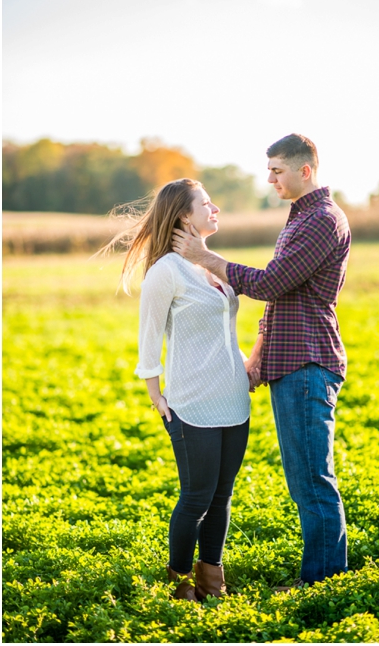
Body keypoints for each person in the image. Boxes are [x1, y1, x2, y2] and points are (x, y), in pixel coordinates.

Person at [172, 133, 351, 588]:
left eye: (277, 170)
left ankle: (323, 585)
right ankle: (322, 577)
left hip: (308, 363)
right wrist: (257, 358)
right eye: (268, 169)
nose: (269, 178)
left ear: (304, 170)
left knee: (312, 481)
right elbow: (282, 302)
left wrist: (204, 257)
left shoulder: (322, 221)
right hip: (291, 362)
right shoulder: (300, 219)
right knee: (304, 479)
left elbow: (272, 283)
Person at [110, 179, 254, 602]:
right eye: (206, 204)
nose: (216, 209)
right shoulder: (165, 272)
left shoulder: (210, 264)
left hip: (235, 399)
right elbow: (149, 339)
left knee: (222, 496)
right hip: (191, 404)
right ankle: (179, 583)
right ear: (183, 216)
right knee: (196, 498)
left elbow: (224, 330)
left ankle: (212, 578)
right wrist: (157, 397)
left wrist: (246, 365)